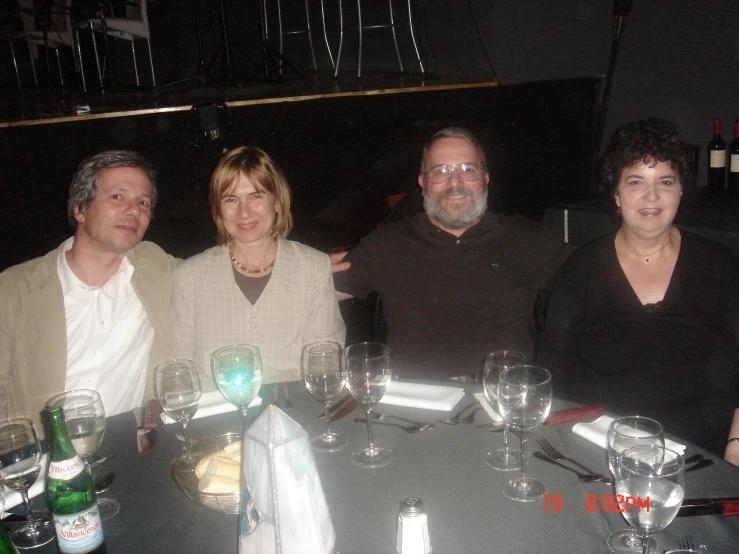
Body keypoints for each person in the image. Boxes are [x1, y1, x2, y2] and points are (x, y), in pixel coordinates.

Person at [537, 118, 739, 455]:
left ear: (680, 190)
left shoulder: (719, 265)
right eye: (635, 181)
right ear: (616, 194)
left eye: (665, 181)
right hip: (600, 444)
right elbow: (552, 369)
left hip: (701, 449)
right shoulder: (581, 270)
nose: (652, 196)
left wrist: (735, 445)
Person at [331, 127, 572, 380]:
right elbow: (316, 288)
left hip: (502, 403)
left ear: (485, 178)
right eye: (440, 172)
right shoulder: (388, 242)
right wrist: (306, 264)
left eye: (468, 170)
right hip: (413, 405)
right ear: (423, 182)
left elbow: (597, 279)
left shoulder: (529, 240)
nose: (455, 183)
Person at [0, 150, 177, 432]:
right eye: (117, 197)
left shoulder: (155, 267)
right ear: (80, 209)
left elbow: (218, 270)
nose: (134, 210)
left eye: (143, 202)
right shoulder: (13, 290)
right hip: (46, 454)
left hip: (128, 450)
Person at [172, 146, 345, 388]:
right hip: (217, 418)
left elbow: (326, 363)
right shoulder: (188, 276)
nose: (244, 212)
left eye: (256, 196)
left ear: (277, 201)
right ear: (217, 209)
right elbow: (181, 368)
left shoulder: (313, 267)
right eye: (231, 199)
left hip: (294, 412)